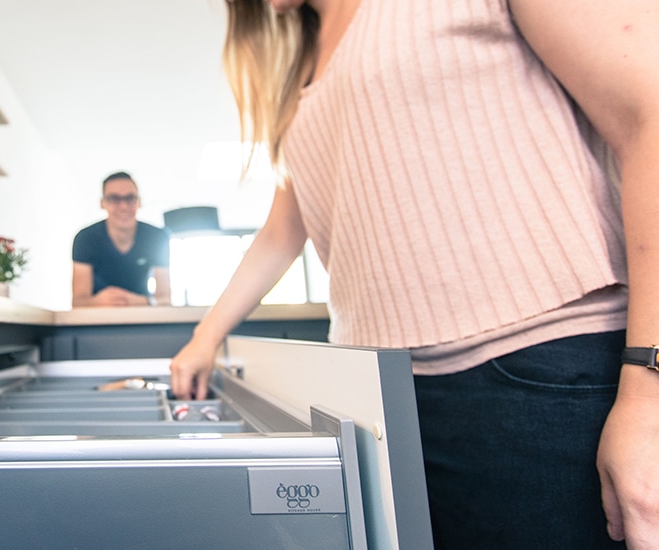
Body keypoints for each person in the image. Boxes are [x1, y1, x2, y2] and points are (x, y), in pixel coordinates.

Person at [170, 1, 659, 548]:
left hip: (535, 379)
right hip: (383, 400)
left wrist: (650, 390)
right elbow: (283, 230)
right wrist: (204, 337)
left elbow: (649, 111)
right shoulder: (302, 61)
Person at [72, 171, 171, 307]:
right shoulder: (85, 239)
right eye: (114, 199)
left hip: (143, 315)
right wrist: (96, 302)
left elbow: (166, 299)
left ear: (139, 202)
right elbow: (77, 302)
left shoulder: (158, 237)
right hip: (97, 318)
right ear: (102, 203)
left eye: (130, 198)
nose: (123, 206)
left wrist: (141, 301)